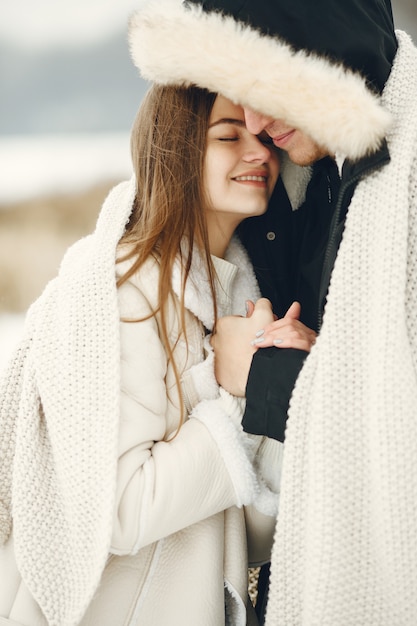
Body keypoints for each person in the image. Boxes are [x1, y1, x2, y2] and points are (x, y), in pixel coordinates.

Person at [128, 1, 417, 625]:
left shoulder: (392, 193)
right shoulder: (309, 195)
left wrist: (258, 378)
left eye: (267, 92)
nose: (257, 128)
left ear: (322, 53)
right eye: (231, 120)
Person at [0, 78, 318, 625]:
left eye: (262, 135)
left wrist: (285, 381)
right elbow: (118, 510)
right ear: (176, 147)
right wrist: (238, 391)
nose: (259, 151)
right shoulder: (125, 292)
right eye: (227, 135)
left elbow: (249, 534)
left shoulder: (240, 294)